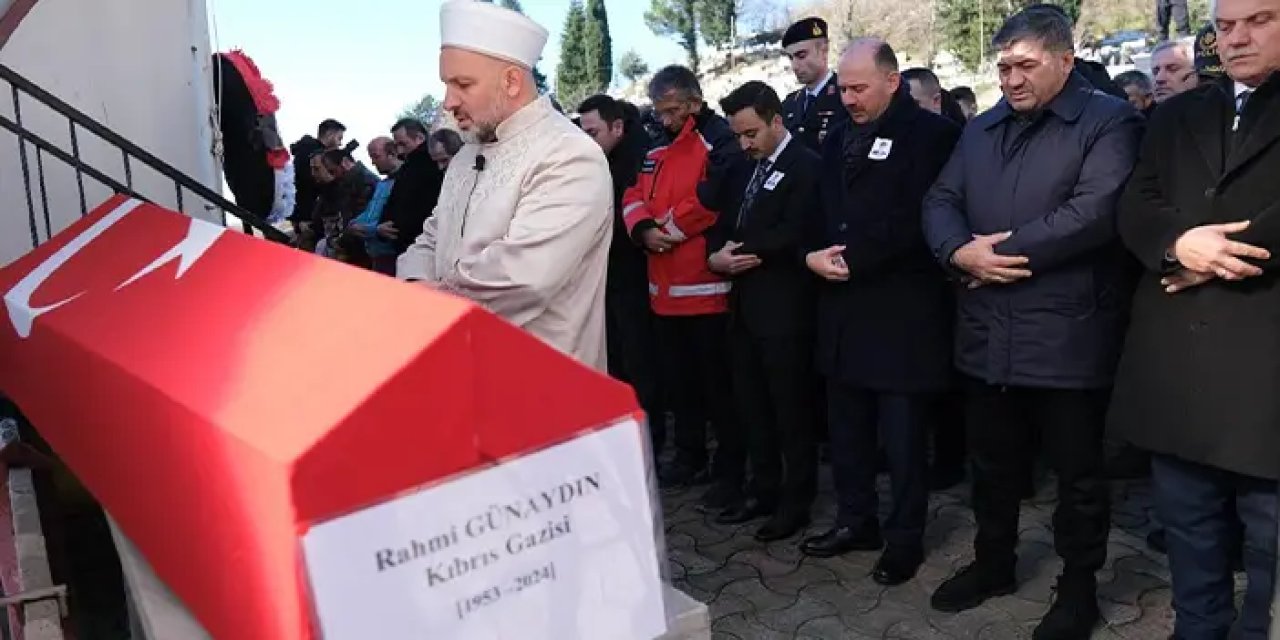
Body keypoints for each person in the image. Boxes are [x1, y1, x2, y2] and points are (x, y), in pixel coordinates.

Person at [921, 7, 1143, 638]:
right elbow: (940, 199)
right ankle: (994, 563)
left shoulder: (1107, 120)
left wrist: (1003, 249)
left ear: (1065, 61)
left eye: (1026, 66)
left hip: (1067, 335)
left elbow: (1095, 212)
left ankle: (1078, 590)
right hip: (987, 330)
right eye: (1003, 67)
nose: (1012, 80)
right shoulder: (983, 127)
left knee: (1077, 476)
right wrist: (958, 252)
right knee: (991, 465)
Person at [1108, 0, 1280, 634]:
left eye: (1259, 20)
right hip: (1180, 370)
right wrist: (1178, 245)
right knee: (1189, 533)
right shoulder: (1179, 113)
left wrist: (1213, 257)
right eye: (1225, 26)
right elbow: (1137, 203)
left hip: (1266, 369)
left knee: (1270, 547)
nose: (1236, 38)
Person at [799, 40, 960, 586]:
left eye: (858, 87)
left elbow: (925, 217)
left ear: (892, 81)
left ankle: (905, 539)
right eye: (842, 87)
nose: (848, 98)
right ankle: (855, 520)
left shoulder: (934, 137)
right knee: (846, 430)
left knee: (904, 439)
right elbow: (823, 209)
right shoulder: (840, 134)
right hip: (843, 310)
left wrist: (854, 258)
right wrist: (812, 254)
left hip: (901, 315)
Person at [398, 0, 613, 370]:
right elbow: (431, 237)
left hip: (542, 382)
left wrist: (425, 305)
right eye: (447, 84)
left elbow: (522, 279)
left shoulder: (569, 155)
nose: (449, 102)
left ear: (511, 81)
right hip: (463, 370)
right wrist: (413, 283)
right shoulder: (466, 154)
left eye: (463, 84)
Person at [698, 81, 819, 542]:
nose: (744, 143)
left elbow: (797, 229)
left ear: (776, 120)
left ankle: (796, 500)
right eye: (738, 135)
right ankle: (762, 488)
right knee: (753, 406)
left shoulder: (805, 166)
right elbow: (721, 225)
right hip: (743, 308)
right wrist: (714, 256)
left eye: (751, 133)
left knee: (791, 411)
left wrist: (741, 250)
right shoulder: (741, 166)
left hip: (786, 311)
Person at [621, 65, 742, 497]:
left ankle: (730, 465)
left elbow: (714, 196)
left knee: (718, 390)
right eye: (660, 112)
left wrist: (666, 232)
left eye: (672, 111)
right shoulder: (656, 146)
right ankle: (689, 456)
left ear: (693, 102)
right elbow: (634, 194)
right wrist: (642, 231)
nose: (665, 120)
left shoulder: (717, 139)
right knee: (681, 387)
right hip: (663, 291)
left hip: (706, 291)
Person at [576, 94, 663, 453]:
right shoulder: (598, 158)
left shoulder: (640, 159)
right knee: (619, 360)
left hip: (634, 275)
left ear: (617, 126)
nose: (587, 140)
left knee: (641, 361)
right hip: (608, 277)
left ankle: (650, 440)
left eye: (593, 132)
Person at [379, 118, 445, 258]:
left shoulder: (430, 165)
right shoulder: (408, 166)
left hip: (418, 245)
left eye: (403, 144)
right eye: (397, 145)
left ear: (419, 138)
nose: (400, 150)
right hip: (402, 243)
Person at [780, 17, 846, 151]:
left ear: (824, 51)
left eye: (801, 55)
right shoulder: (790, 103)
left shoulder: (846, 96)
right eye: (791, 58)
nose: (794, 66)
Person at [347, 137, 401, 275]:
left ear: (392, 153)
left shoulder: (401, 183)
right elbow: (369, 212)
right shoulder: (382, 184)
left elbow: (389, 226)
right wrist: (354, 224)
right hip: (375, 255)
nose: (373, 162)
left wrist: (370, 229)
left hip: (392, 255)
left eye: (376, 156)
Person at [290, 119, 345, 248]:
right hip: (309, 215)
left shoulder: (303, 152)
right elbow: (310, 184)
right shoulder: (314, 154)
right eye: (339, 138)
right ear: (330, 134)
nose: (340, 143)